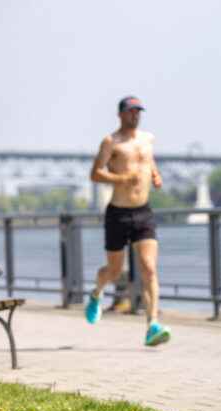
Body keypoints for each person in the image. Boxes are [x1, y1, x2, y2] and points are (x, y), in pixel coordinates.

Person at [85, 96, 171, 347]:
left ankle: (152, 325)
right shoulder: (111, 142)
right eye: (131, 111)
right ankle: (96, 293)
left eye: (138, 111)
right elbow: (95, 173)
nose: (136, 115)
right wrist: (122, 179)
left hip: (143, 212)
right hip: (118, 213)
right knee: (113, 271)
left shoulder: (148, 139)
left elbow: (148, 161)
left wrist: (155, 175)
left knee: (149, 268)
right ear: (121, 114)